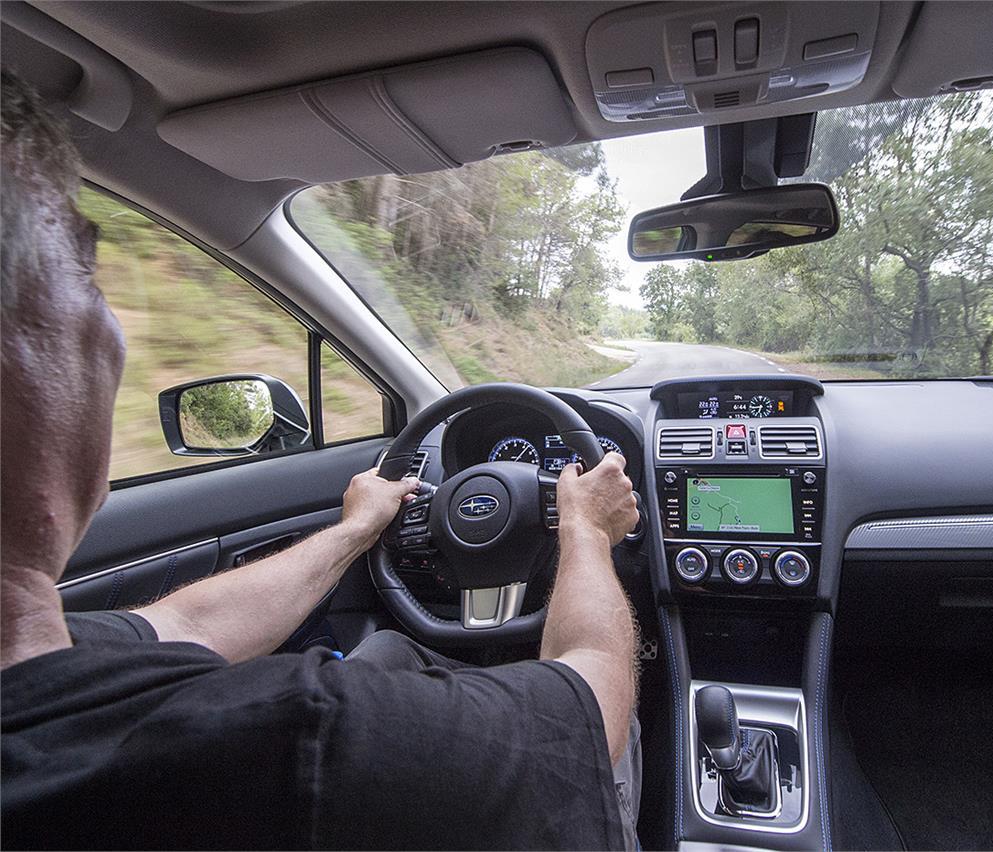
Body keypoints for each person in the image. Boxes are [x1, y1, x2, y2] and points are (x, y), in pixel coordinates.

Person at [0, 70, 642, 849]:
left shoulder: (51, 665)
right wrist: (585, 531)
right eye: (82, 271)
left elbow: (179, 623)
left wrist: (354, 531)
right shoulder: (306, 746)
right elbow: (591, 700)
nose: (114, 332)